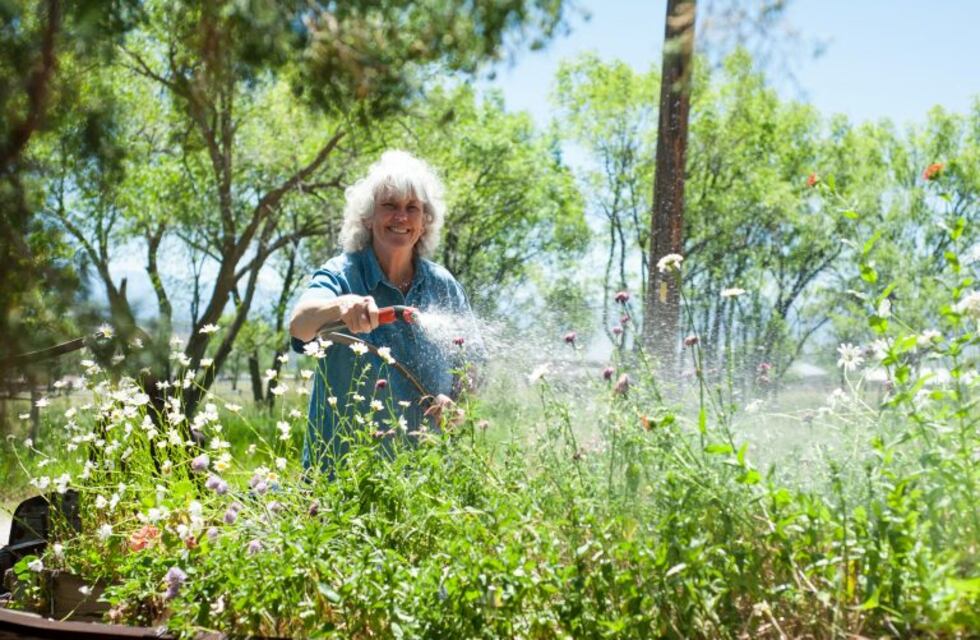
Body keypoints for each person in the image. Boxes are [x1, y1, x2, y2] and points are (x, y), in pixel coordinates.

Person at [289, 150, 478, 471]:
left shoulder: (442, 285)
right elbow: (300, 325)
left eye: (412, 208)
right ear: (367, 217)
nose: (401, 217)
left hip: (426, 478)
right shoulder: (342, 274)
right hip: (344, 474)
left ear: (424, 222)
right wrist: (341, 305)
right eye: (389, 206)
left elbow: (473, 364)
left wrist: (457, 403)